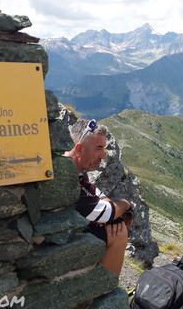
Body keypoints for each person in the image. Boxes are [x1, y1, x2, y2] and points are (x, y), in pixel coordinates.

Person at [65, 118, 134, 276]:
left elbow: (98, 196)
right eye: (98, 148)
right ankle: (105, 293)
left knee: (115, 224)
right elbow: (106, 212)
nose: (103, 156)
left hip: (67, 234)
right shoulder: (67, 178)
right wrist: (126, 205)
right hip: (58, 245)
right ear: (80, 148)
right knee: (119, 232)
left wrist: (112, 216)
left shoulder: (77, 171)